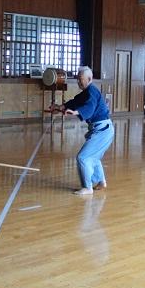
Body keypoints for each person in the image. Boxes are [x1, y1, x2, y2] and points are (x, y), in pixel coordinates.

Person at [51, 66, 114, 195]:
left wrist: (76, 112)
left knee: (83, 157)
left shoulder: (92, 92)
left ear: (89, 79)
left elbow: (89, 107)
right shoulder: (86, 92)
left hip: (103, 130)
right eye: (78, 79)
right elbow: (75, 102)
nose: (78, 82)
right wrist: (60, 107)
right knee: (94, 157)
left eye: (81, 79)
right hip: (103, 130)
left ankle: (87, 187)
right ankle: (101, 182)